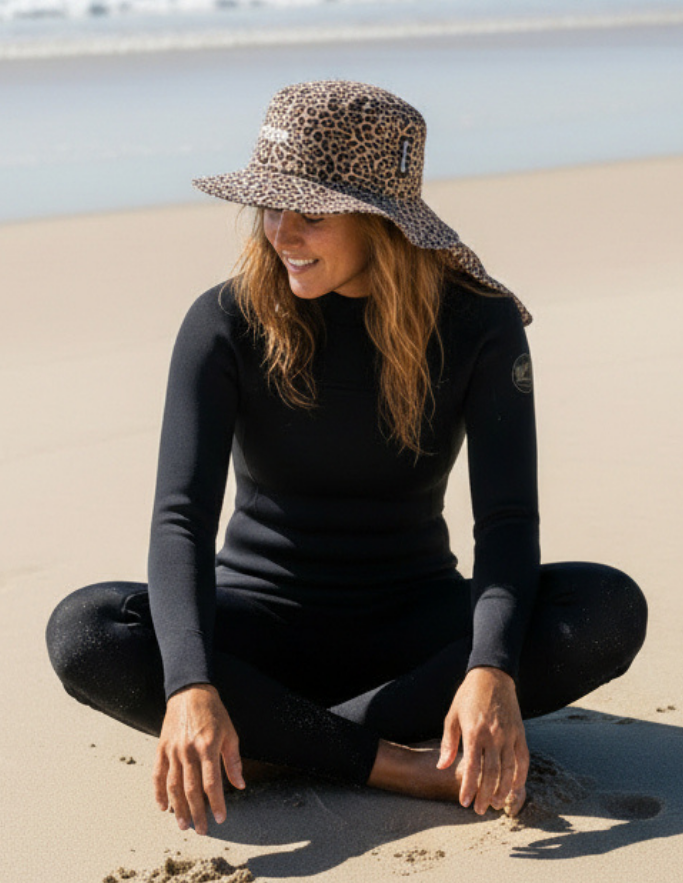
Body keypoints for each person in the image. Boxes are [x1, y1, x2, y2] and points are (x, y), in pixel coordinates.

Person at [46, 80, 647, 837]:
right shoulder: (224, 322)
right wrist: (194, 685)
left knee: (604, 609)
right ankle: (393, 762)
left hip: (413, 638)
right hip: (256, 631)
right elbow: (179, 523)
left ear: (381, 220)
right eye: (270, 206)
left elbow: (506, 519)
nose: (281, 234)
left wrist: (489, 668)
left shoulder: (478, 325)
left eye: (311, 213)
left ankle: (280, 743)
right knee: (88, 630)